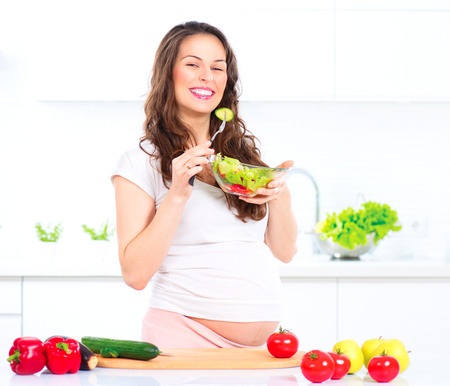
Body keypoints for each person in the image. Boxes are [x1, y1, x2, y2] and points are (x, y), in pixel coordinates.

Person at [111, 21, 298, 349]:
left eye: (217, 67)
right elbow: (135, 274)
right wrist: (178, 194)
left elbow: (284, 252)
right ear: (168, 73)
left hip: (263, 348)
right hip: (183, 338)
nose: (206, 77)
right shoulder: (141, 161)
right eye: (193, 65)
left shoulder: (243, 160)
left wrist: (278, 193)